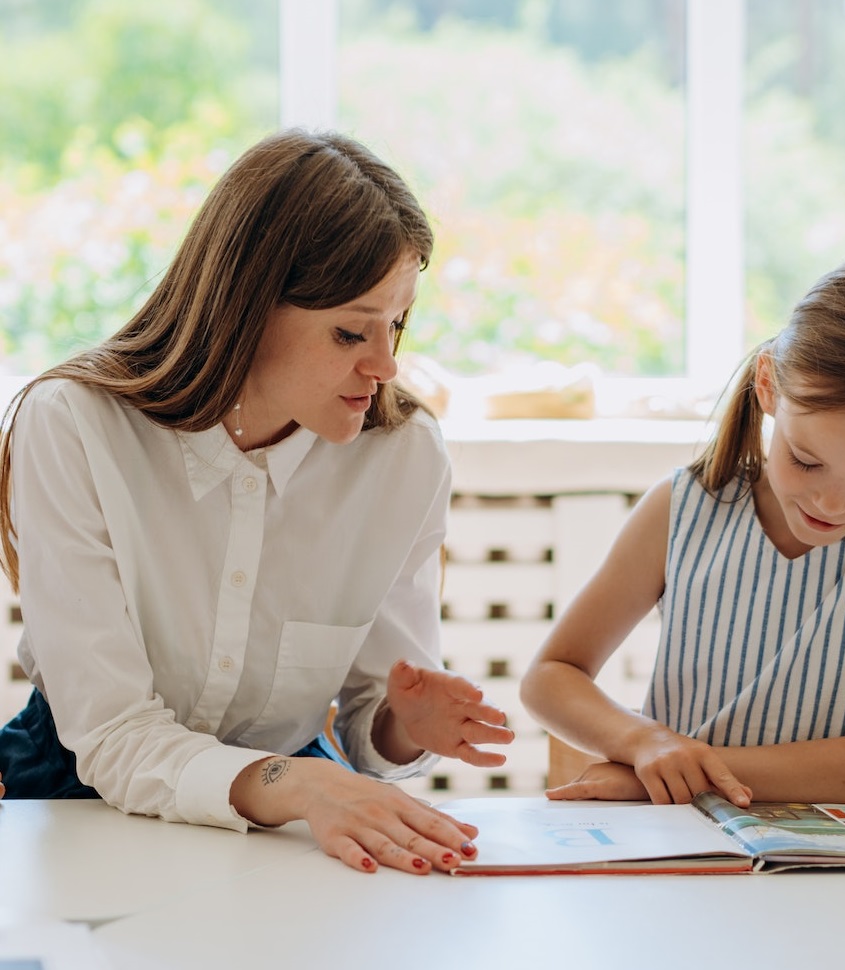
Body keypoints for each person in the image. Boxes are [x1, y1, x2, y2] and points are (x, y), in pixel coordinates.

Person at [0, 128, 514, 874]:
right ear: (246, 305)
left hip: (295, 813)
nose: (386, 364)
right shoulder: (74, 424)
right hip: (72, 794)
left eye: (396, 323)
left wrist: (403, 724)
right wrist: (299, 783)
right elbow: (110, 734)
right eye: (349, 331)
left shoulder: (403, 455)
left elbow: (371, 721)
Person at [521, 255, 845, 808]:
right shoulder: (683, 505)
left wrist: (669, 777)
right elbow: (550, 675)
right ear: (768, 387)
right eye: (806, 460)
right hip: (684, 849)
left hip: (836, 875)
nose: (830, 503)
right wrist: (645, 744)